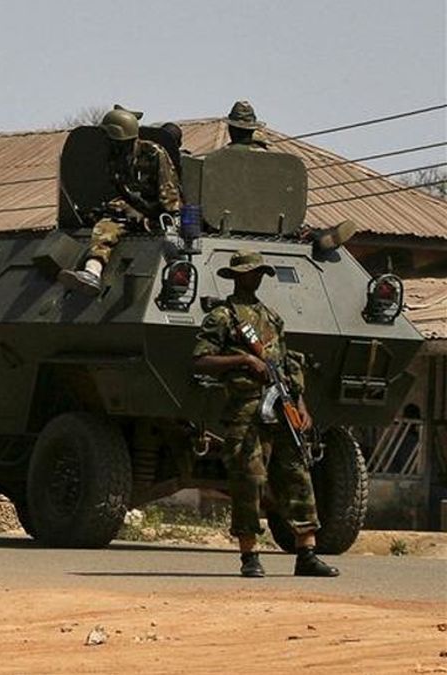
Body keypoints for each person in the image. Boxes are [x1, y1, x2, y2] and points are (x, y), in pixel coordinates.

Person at [192, 250, 339, 578]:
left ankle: (307, 552)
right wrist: (243, 362)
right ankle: (250, 555)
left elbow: (286, 366)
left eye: (259, 273)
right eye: (249, 272)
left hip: (282, 408)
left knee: (297, 475)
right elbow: (200, 360)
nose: (254, 277)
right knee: (249, 482)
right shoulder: (222, 317)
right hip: (245, 411)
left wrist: (301, 406)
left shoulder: (272, 318)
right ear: (237, 276)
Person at [59, 106, 181, 294]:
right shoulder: (115, 157)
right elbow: (122, 190)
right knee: (106, 227)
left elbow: (169, 191)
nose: (108, 142)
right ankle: (92, 272)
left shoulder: (153, 153)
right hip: (131, 211)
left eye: (111, 138)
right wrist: (119, 209)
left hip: (158, 214)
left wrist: (170, 219)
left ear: (121, 138)